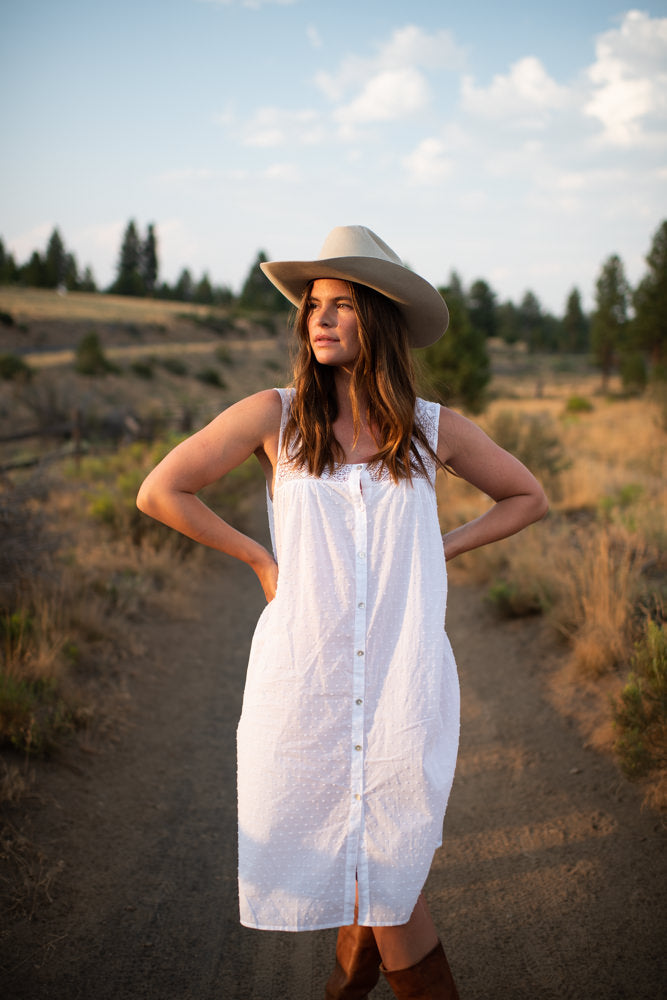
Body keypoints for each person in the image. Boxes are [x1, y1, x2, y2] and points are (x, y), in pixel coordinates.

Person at [136, 225, 548, 999]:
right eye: (313, 305)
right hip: (306, 685)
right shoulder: (274, 416)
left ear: (380, 320)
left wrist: (438, 548)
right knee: (376, 879)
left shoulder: (429, 429)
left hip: (402, 684)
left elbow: (529, 496)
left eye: (342, 304)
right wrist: (261, 558)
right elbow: (160, 491)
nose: (320, 318)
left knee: (386, 875)